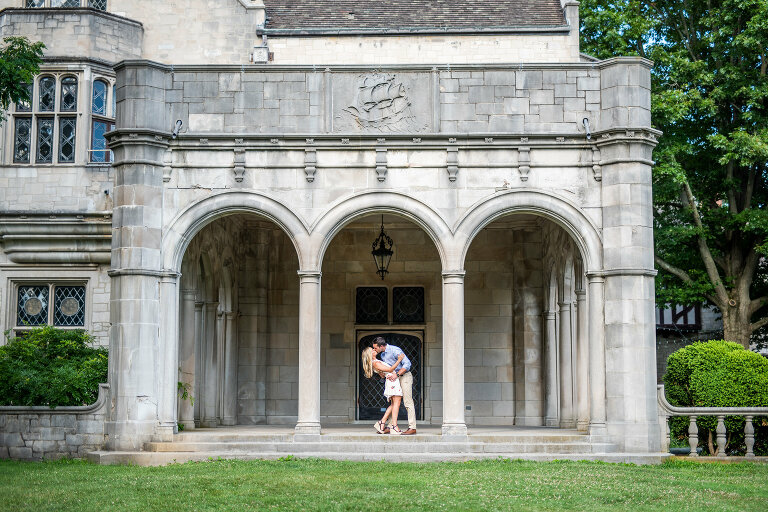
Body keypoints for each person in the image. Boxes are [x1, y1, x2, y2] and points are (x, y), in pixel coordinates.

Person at [371, 336, 416, 435]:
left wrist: (397, 374)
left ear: (381, 346)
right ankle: (391, 426)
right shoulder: (382, 355)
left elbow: (407, 364)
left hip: (404, 376)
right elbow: (387, 368)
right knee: (394, 402)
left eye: (375, 348)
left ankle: (412, 427)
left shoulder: (395, 350)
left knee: (407, 401)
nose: (374, 349)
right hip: (393, 380)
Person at [361, 347, 405, 434]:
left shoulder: (376, 362)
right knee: (396, 403)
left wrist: (383, 372)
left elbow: (382, 375)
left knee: (394, 404)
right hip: (392, 382)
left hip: (392, 381)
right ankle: (394, 426)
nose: (374, 350)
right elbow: (390, 369)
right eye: (372, 350)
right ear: (370, 354)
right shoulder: (375, 363)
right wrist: (399, 360)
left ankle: (382, 422)